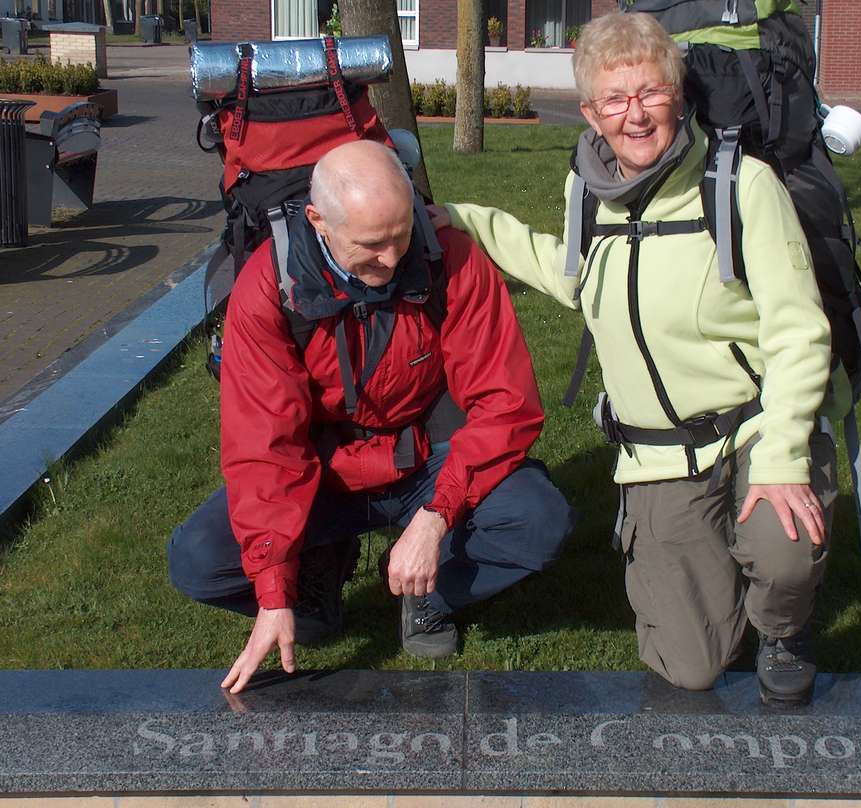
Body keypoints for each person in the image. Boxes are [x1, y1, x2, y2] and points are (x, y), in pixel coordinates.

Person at [429, 12, 840, 704]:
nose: (636, 114)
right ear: (590, 112)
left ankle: (782, 623)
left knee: (782, 544)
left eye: (650, 92)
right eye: (615, 100)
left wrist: (783, 459)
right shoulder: (584, 189)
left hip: (752, 427)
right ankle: (720, 578)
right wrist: (470, 221)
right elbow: (570, 277)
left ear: (677, 96)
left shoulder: (742, 185)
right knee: (689, 666)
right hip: (656, 453)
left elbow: (800, 331)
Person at [168, 140, 575, 694]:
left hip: (428, 460)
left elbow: (506, 405)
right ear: (318, 223)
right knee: (199, 559)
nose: (390, 259)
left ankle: (427, 594)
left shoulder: (449, 258)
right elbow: (266, 446)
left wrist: (435, 518)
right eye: (371, 244)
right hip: (323, 473)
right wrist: (272, 591)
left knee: (538, 520)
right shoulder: (268, 288)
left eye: (402, 234)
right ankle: (314, 581)